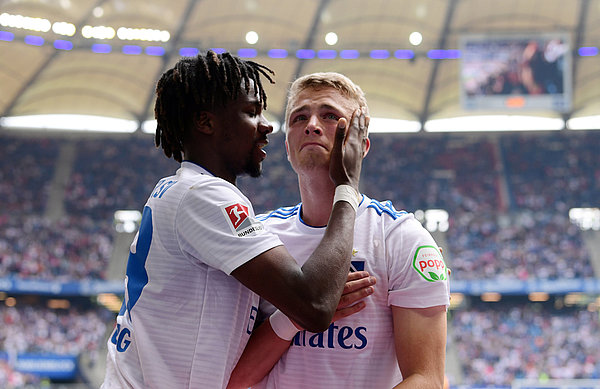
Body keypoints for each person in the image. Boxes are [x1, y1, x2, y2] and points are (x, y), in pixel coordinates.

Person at [101, 53, 374, 389]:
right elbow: (315, 306)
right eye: (250, 112)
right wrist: (346, 187)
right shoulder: (205, 196)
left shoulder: (180, 189)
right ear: (206, 122)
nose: (266, 125)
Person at [227, 72, 451, 388]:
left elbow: (427, 379)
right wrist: (297, 314)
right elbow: (232, 378)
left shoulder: (402, 239)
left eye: (330, 116)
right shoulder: (258, 237)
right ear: (288, 147)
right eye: (299, 117)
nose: (312, 125)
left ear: (362, 145)